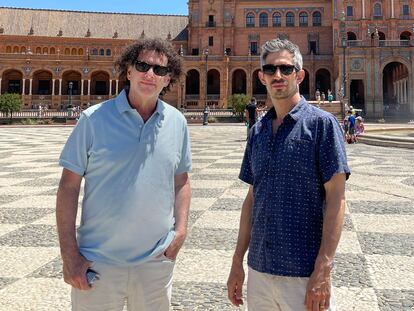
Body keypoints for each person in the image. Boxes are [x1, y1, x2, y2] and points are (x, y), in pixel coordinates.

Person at [56, 38, 192, 311]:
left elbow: (182, 180)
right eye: (142, 65)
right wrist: (69, 255)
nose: (150, 74)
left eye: (159, 70)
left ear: (168, 79)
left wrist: (180, 231)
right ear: (128, 70)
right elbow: (68, 187)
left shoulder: (177, 122)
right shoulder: (93, 120)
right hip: (98, 262)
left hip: (156, 262)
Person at [227, 38, 350, 311]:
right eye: (270, 70)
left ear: (300, 74)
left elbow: (337, 200)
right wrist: (237, 262)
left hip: (303, 274)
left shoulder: (322, 125)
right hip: (259, 270)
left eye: (285, 68)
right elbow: (251, 199)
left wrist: (324, 268)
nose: (278, 75)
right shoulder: (257, 131)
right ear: (261, 77)